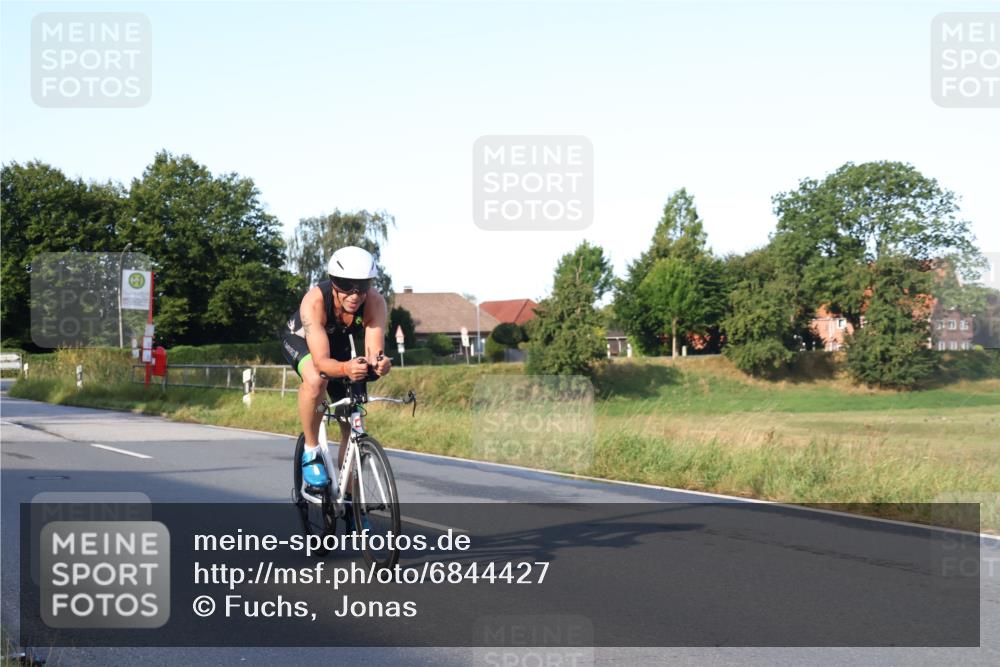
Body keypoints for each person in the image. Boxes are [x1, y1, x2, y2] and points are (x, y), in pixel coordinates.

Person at [280, 246, 391, 487]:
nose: (355, 294)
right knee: (317, 379)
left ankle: (351, 504)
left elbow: (374, 351)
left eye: (362, 285)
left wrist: (380, 364)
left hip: (338, 344)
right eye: (345, 284)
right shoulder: (315, 301)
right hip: (302, 340)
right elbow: (321, 363)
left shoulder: (375, 302)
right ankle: (311, 450)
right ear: (333, 282)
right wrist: (344, 370)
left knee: (352, 426)